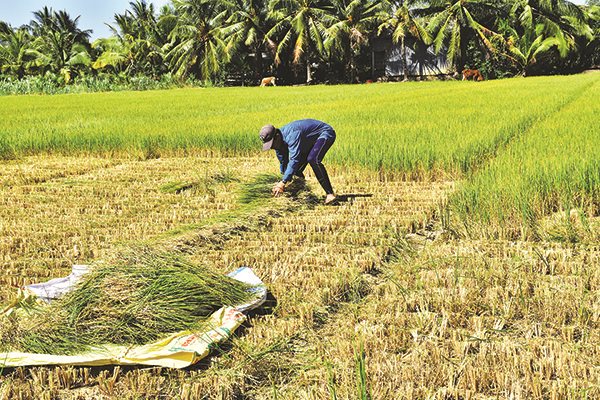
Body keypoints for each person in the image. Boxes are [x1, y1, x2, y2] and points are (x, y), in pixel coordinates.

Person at [259, 119, 337, 204]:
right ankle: (302, 194)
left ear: (277, 136)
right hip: (308, 141)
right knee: (295, 170)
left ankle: (330, 194)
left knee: (313, 159)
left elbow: (294, 159)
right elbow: (283, 162)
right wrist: (283, 179)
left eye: (271, 144)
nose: (271, 147)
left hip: (324, 133)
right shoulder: (278, 144)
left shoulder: (292, 135)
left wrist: (283, 182)